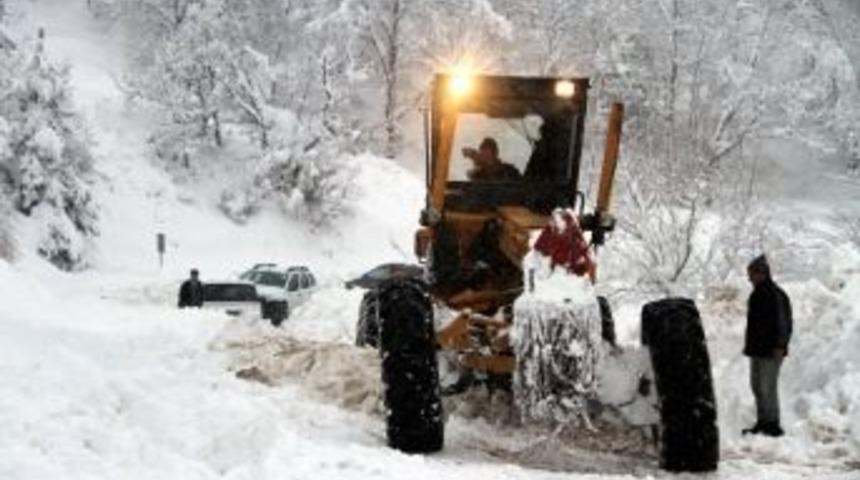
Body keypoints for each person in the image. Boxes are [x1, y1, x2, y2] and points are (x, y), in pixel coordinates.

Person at [742, 255, 792, 437]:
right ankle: (762, 421)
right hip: (756, 349)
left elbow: (783, 322)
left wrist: (780, 345)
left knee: (767, 386)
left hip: (772, 350)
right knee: (756, 385)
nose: (749, 278)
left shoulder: (775, 294)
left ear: (762, 273)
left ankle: (773, 424)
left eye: (751, 274)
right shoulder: (756, 294)